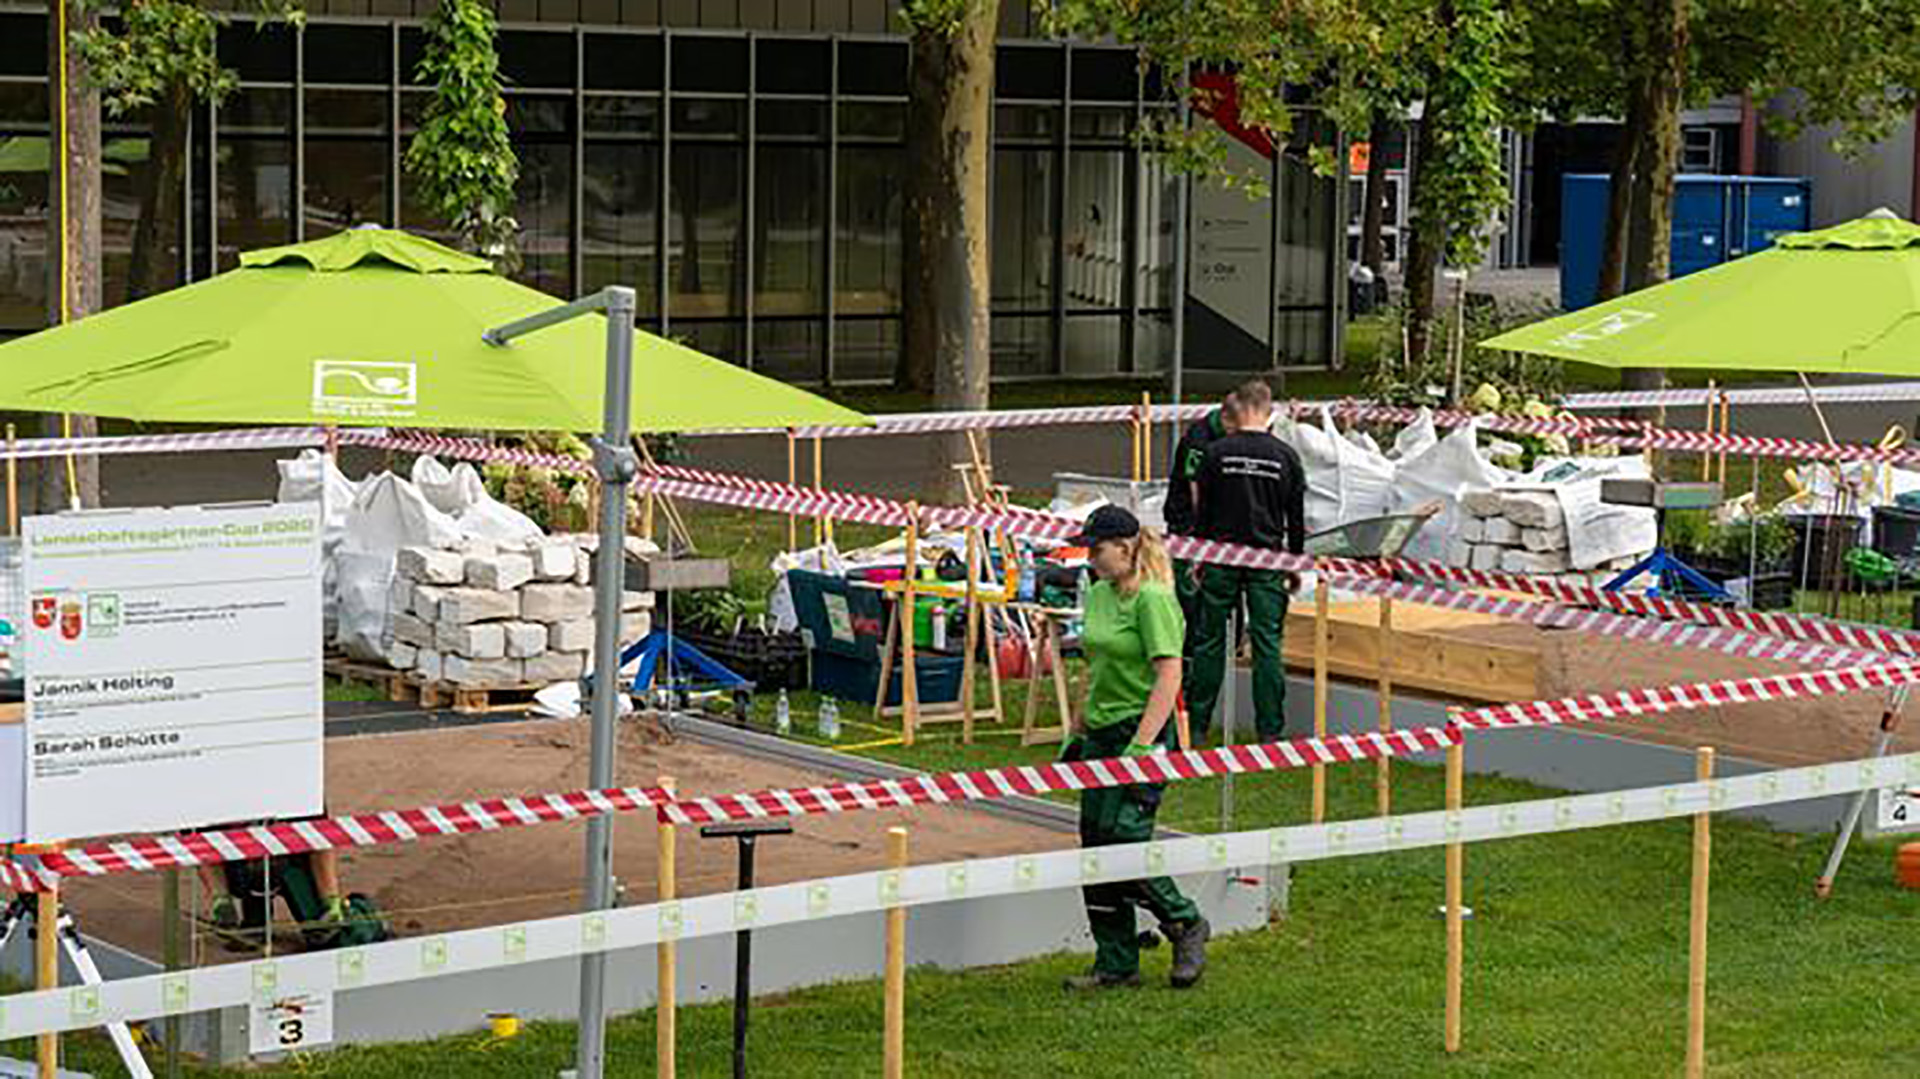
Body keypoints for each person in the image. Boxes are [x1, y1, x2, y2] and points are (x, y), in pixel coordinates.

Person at [1059, 505, 1210, 991]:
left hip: (1139, 732)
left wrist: (1143, 744)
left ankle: (1185, 921)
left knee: (1124, 840)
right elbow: (1095, 665)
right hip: (1100, 736)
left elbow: (1169, 674)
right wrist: (1078, 730)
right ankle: (1115, 962)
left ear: (1125, 548)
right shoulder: (1099, 594)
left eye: (1097, 550)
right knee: (1095, 846)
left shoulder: (1153, 600)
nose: (1092, 559)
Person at [1185, 380, 1306, 743]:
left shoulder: (1216, 453)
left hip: (1220, 558)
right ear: (1270, 411)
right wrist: (1294, 563)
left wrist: (1199, 556)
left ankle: (1197, 725)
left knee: (1209, 642)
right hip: (1267, 560)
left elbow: (1202, 513)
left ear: (1238, 409)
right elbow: (1295, 518)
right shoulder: (1286, 456)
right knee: (1267, 644)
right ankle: (1270, 731)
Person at [1162, 393, 1238, 646]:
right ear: (1226, 418)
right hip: (1188, 523)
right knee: (1190, 590)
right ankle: (1189, 648)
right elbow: (1197, 492)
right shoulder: (1199, 439)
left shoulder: (1228, 432)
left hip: (1216, 523)